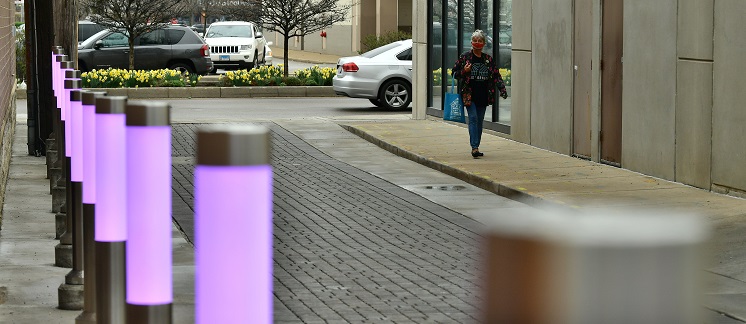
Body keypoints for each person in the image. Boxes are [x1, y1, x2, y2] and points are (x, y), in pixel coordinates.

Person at [452, 29, 508, 158]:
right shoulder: (465, 57)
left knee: (479, 121)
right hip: (468, 94)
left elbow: (496, 76)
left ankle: (477, 145)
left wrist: (502, 89)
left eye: (480, 41)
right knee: (473, 118)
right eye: (475, 40)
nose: (477, 43)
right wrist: (464, 71)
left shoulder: (488, 60)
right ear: (471, 42)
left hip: (483, 94)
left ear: (483, 43)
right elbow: (454, 73)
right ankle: (474, 148)